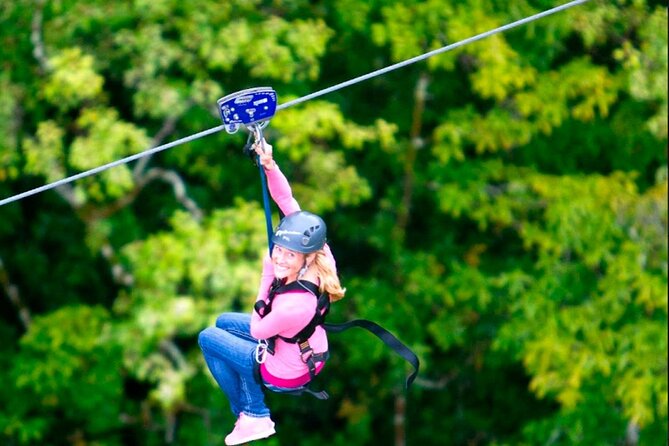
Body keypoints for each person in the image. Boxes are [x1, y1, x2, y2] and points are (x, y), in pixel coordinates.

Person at [198, 137, 346, 445]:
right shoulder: (320, 255)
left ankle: (253, 413)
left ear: (304, 257)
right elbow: (287, 201)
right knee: (225, 321)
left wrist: (266, 277)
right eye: (278, 249)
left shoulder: (295, 305)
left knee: (208, 338)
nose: (278, 258)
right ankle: (251, 412)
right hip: (301, 346)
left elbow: (258, 327)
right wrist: (269, 165)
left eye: (287, 255)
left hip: (287, 371)